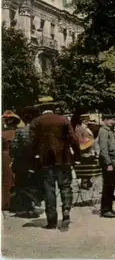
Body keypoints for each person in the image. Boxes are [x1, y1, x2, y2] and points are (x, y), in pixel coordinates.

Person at [30, 99, 81, 231]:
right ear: (53, 107)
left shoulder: (36, 122)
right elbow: (73, 139)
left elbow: (32, 143)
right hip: (63, 159)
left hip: (45, 161)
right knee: (65, 187)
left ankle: (52, 221)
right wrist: (77, 155)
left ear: (41, 109)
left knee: (49, 189)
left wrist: (34, 160)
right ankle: (66, 211)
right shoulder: (63, 120)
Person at [11, 106, 42, 217]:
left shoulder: (20, 131)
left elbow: (14, 147)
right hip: (38, 161)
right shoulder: (40, 130)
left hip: (23, 161)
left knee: (23, 184)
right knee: (35, 183)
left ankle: (28, 207)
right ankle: (35, 203)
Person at [98, 113, 115, 218]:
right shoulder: (103, 131)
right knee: (108, 186)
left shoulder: (109, 130)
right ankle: (105, 210)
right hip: (109, 163)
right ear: (105, 120)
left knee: (112, 186)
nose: (113, 121)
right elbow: (103, 150)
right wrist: (108, 163)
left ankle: (109, 208)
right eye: (111, 119)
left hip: (112, 162)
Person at [2, 111, 22, 211]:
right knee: (12, 179)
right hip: (12, 156)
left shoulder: (3, 134)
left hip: (6, 156)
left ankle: (7, 202)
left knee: (7, 179)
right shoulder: (18, 132)